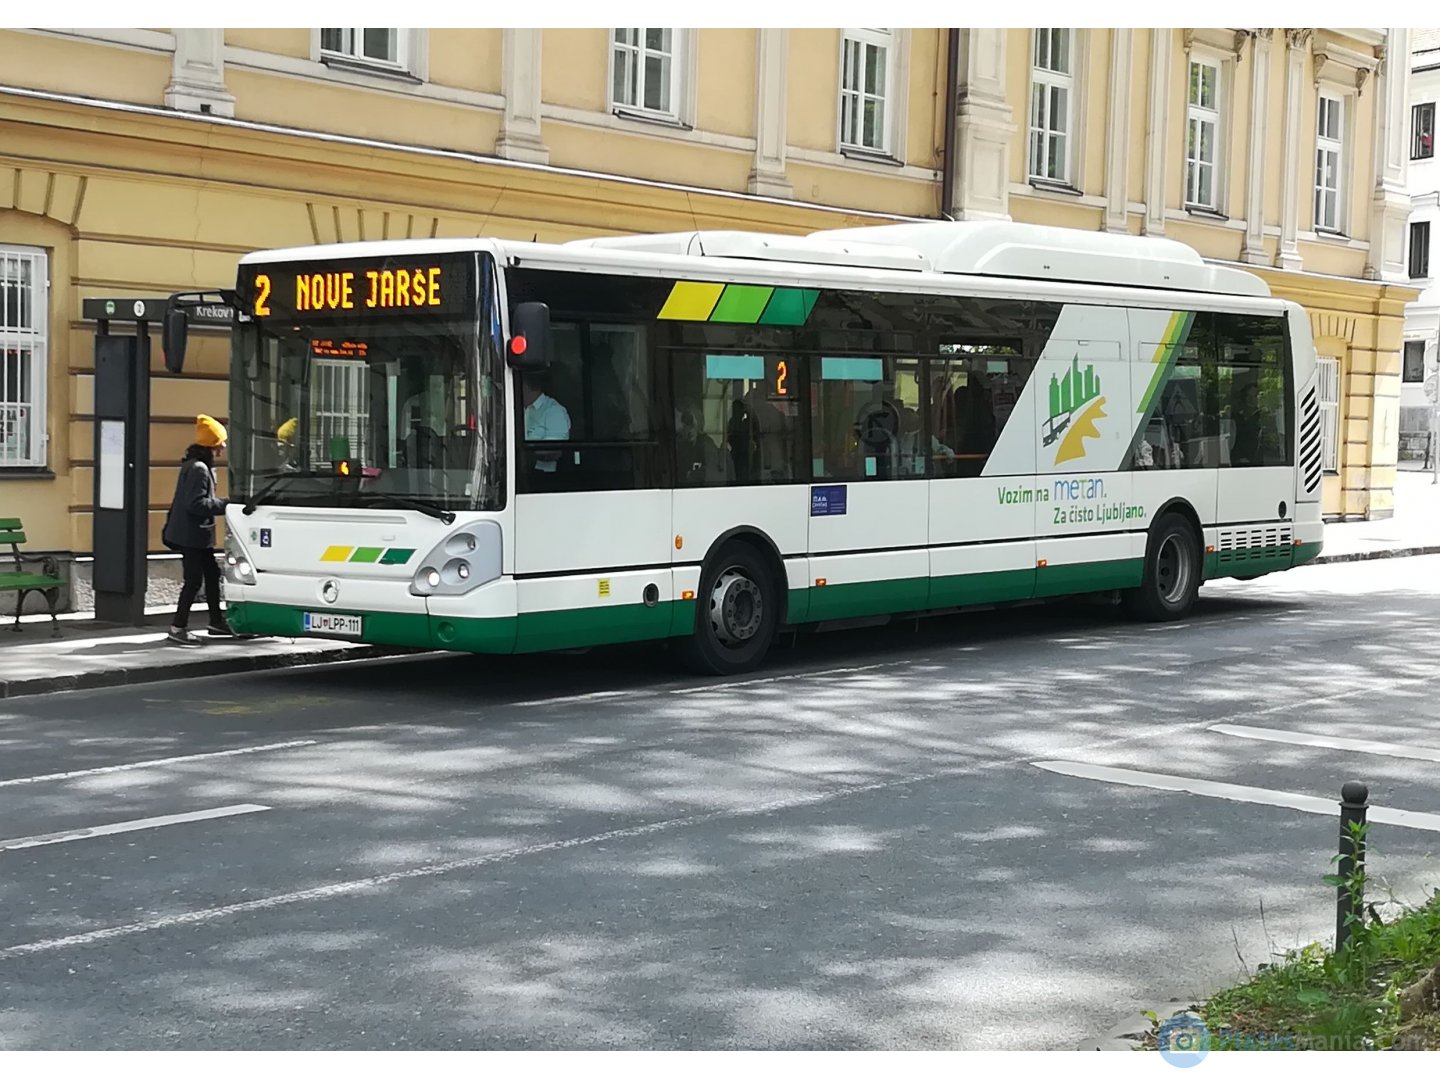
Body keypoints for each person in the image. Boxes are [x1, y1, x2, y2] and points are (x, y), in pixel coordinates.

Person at [161, 414, 234, 647]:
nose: (224, 446)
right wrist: (227, 504)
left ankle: (216, 621)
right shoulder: (199, 469)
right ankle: (178, 628)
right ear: (212, 445)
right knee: (193, 580)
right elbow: (196, 504)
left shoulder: (195, 465)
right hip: (191, 535)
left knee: (212, 574)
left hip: (195, 535)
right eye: (221, 442)